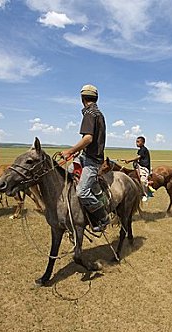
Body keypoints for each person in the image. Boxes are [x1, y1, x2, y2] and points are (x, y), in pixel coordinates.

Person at [61, 84, 109, 232]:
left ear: (82, 98)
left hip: (92, 161)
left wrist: (70, 151)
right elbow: (90, 142)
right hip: (85, 156)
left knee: (82, 191)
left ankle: (103, 217)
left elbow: (88, 138)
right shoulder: (97, 113)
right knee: (65, 174)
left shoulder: (90, 113)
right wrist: (77, 152)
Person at [123, 136, 154, 201]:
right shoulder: (140, 150)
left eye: (138, 142)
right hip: (140, 166)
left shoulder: (143, 149)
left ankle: (145, 194)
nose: (136, 143)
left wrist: (129, 160)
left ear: (143, 142)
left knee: (143, 181)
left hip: (144, 167)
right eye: (136, 142)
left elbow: (138, 158)